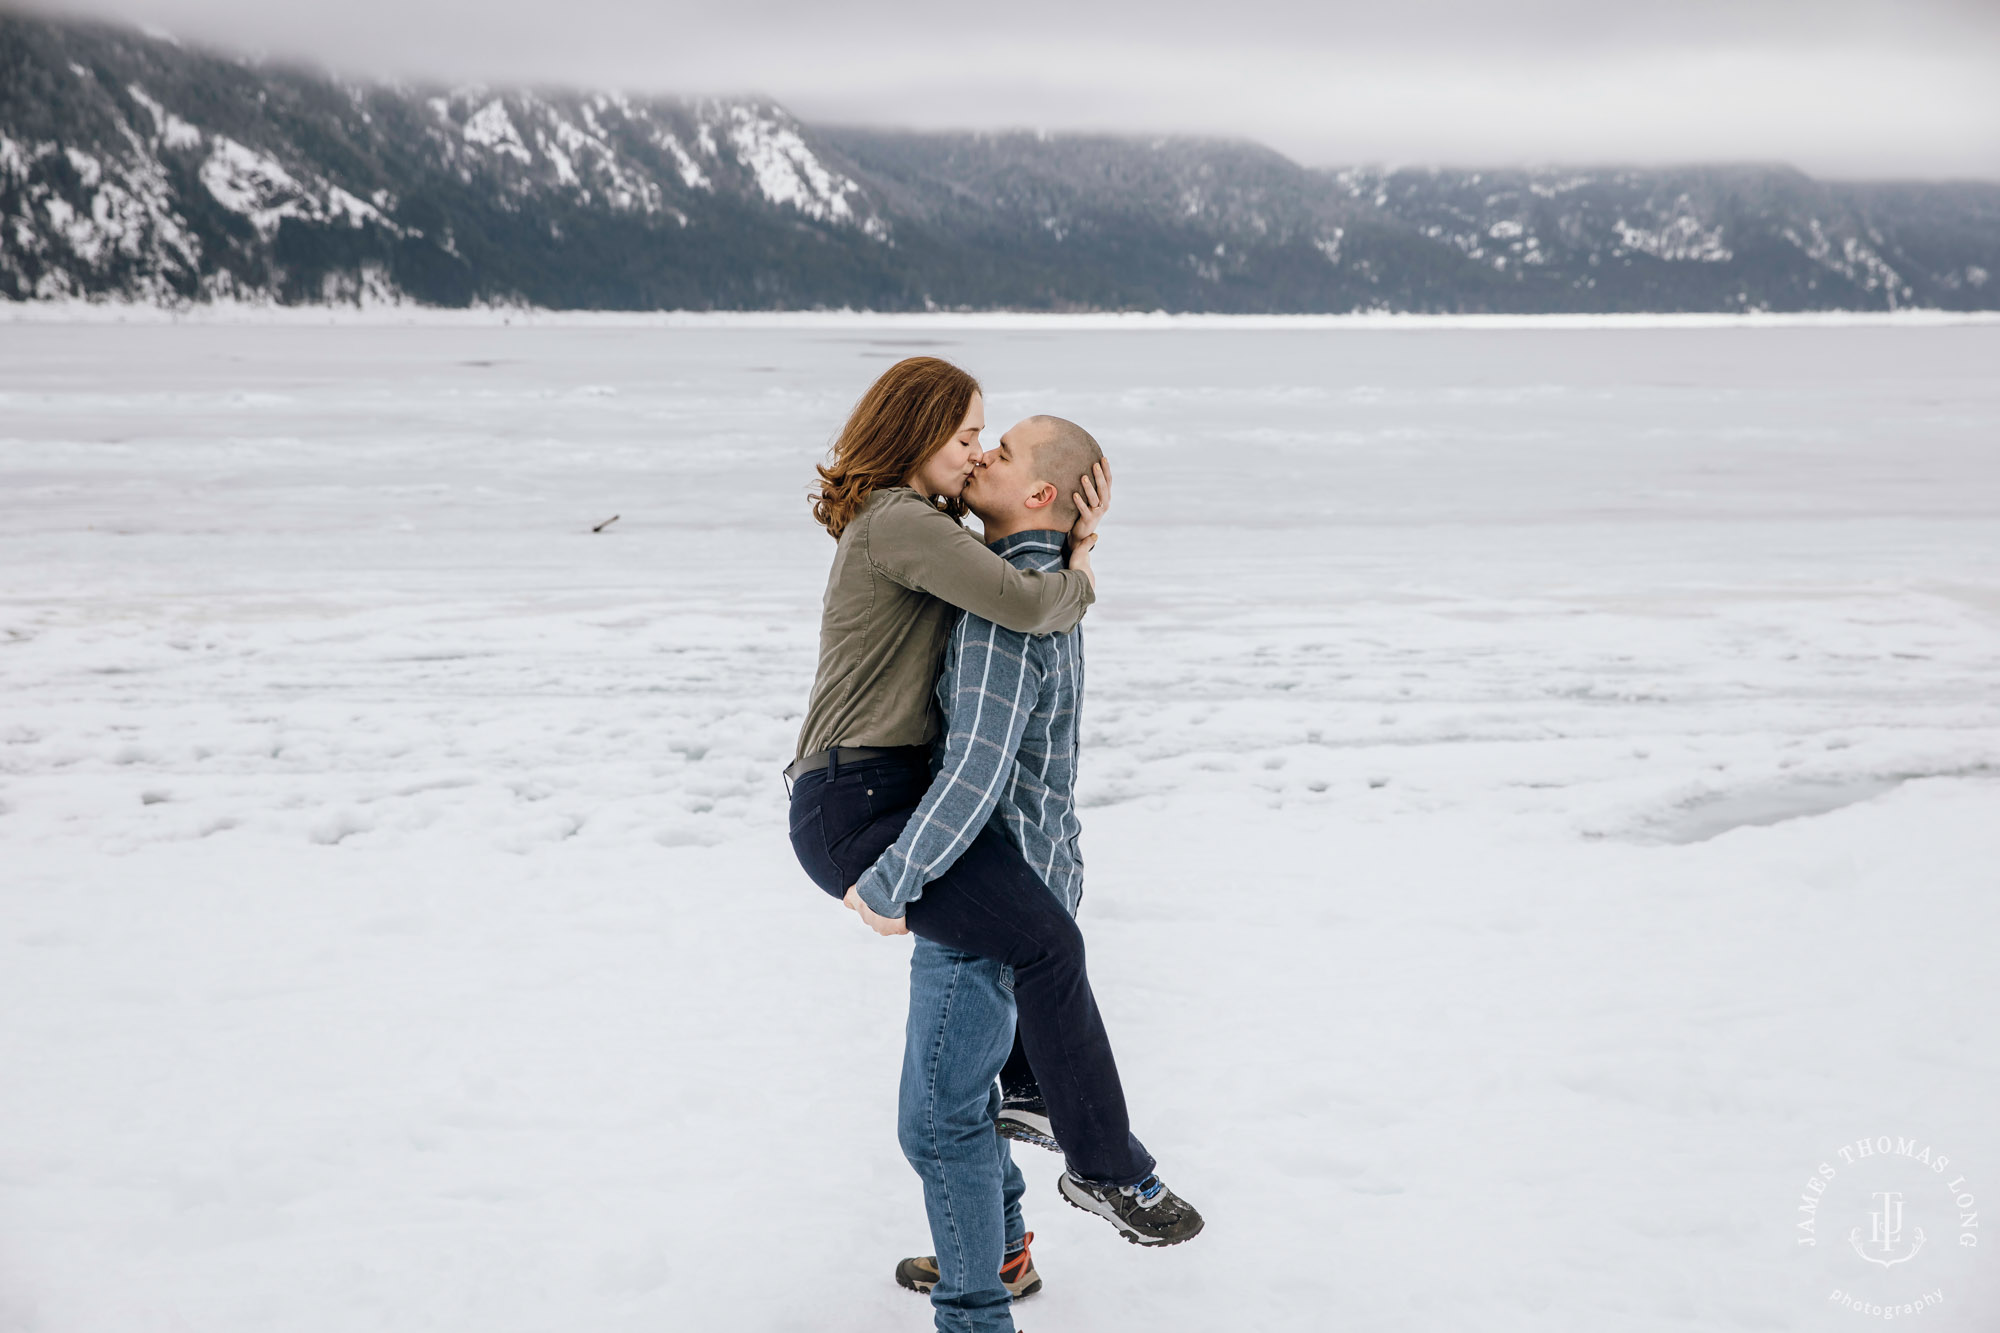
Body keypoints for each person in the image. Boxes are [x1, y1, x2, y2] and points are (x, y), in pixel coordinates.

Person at [783, 362, 1199, 1234]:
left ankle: (1016, 1179)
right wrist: (1080, 566)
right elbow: (1018, 600)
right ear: (920, 432)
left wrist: (1065, 545)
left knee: (966, 1077)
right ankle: (1095, 1166)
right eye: (970, 436)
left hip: (894, 798)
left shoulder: (933, 527)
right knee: (1015, 993)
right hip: (859, 798)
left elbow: (1015, 586)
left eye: (989, 443)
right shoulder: (904, 522)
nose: (977, 454)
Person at [872, 414, 1204, 1333]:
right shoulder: (1050, 582)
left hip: (991, 888)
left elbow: (974, 765)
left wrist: (896, 875)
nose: (981, 455)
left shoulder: (1006, 601)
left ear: (1043, 496)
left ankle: (979, 1308)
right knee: (972, 1093)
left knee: (937, 1119)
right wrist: (1079, 548)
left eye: (1002, 452)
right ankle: (1004, 1244)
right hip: (1043, 869)